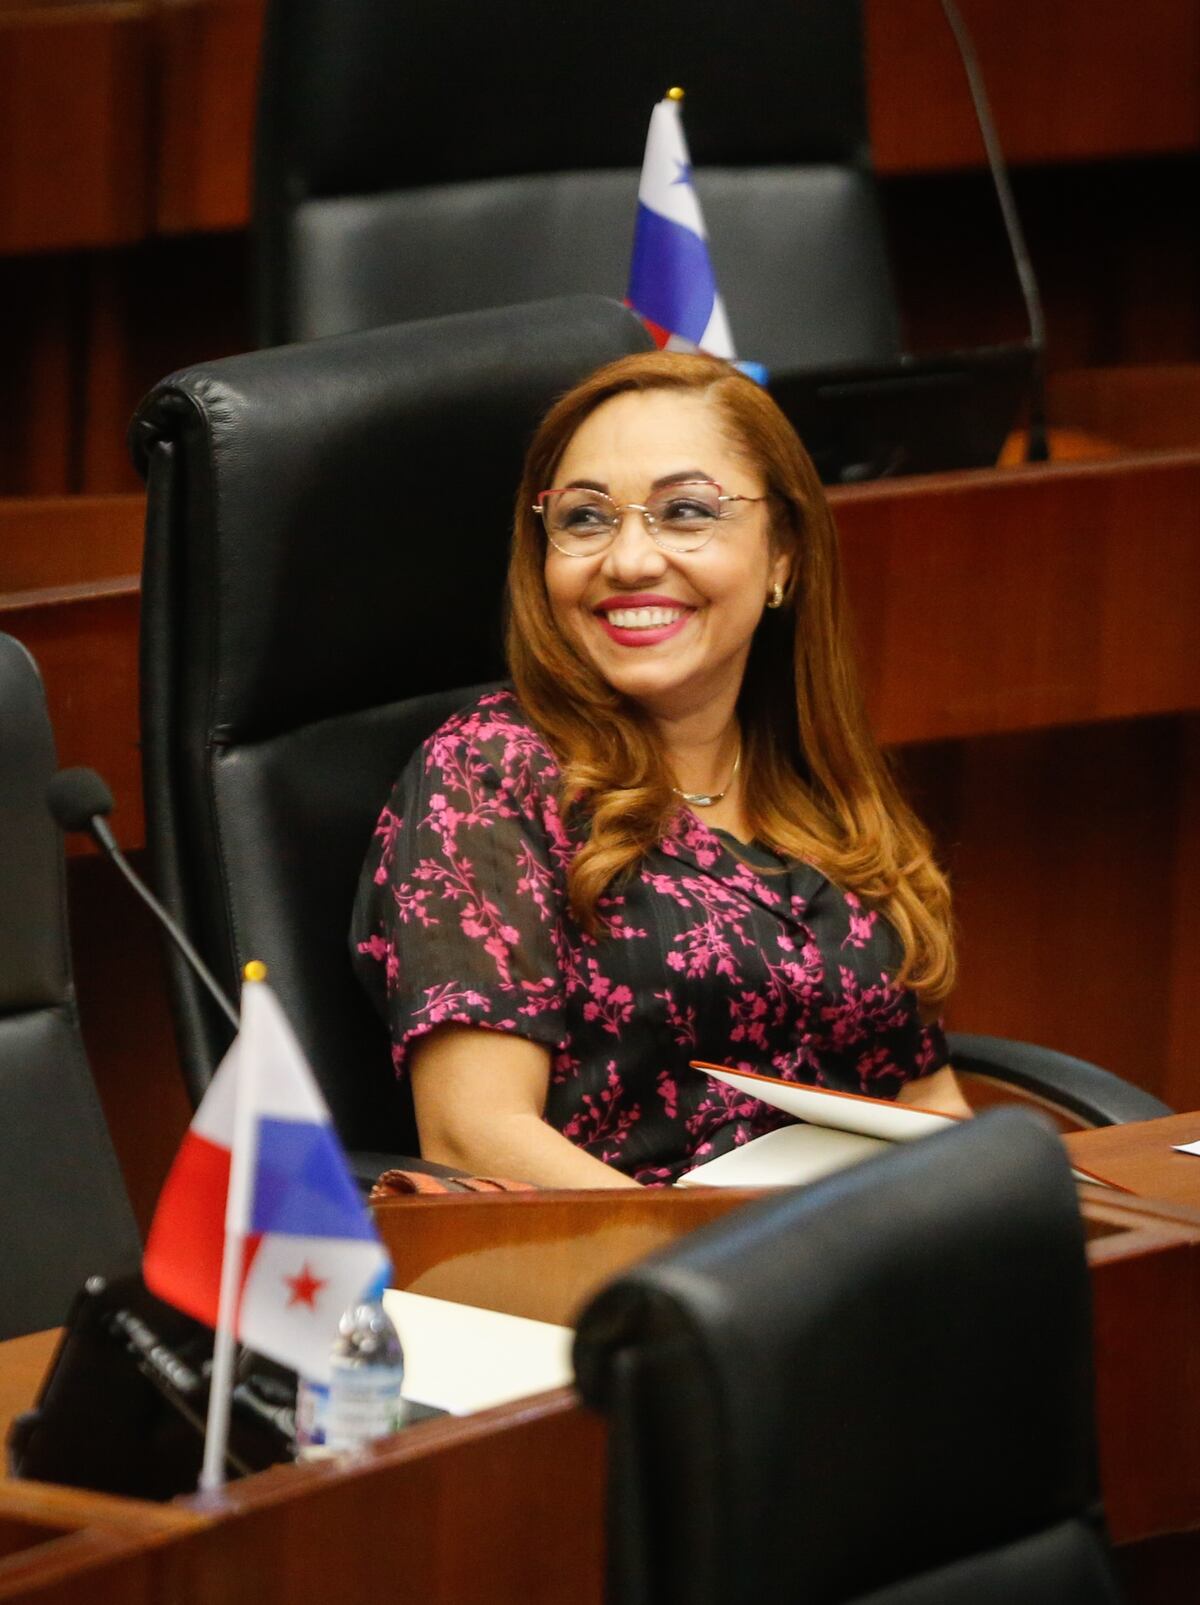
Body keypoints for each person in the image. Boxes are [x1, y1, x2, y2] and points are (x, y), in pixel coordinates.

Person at [352, 351, 966, 1187]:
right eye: (584, 519)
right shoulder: (490, 773)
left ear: (783, 553)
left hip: (859, 1263)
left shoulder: (816, 781)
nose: (631, 560)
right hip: (627, 1285)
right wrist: (742, 1281)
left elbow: (926, 1100)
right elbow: (472, 1137)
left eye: (685, 511)